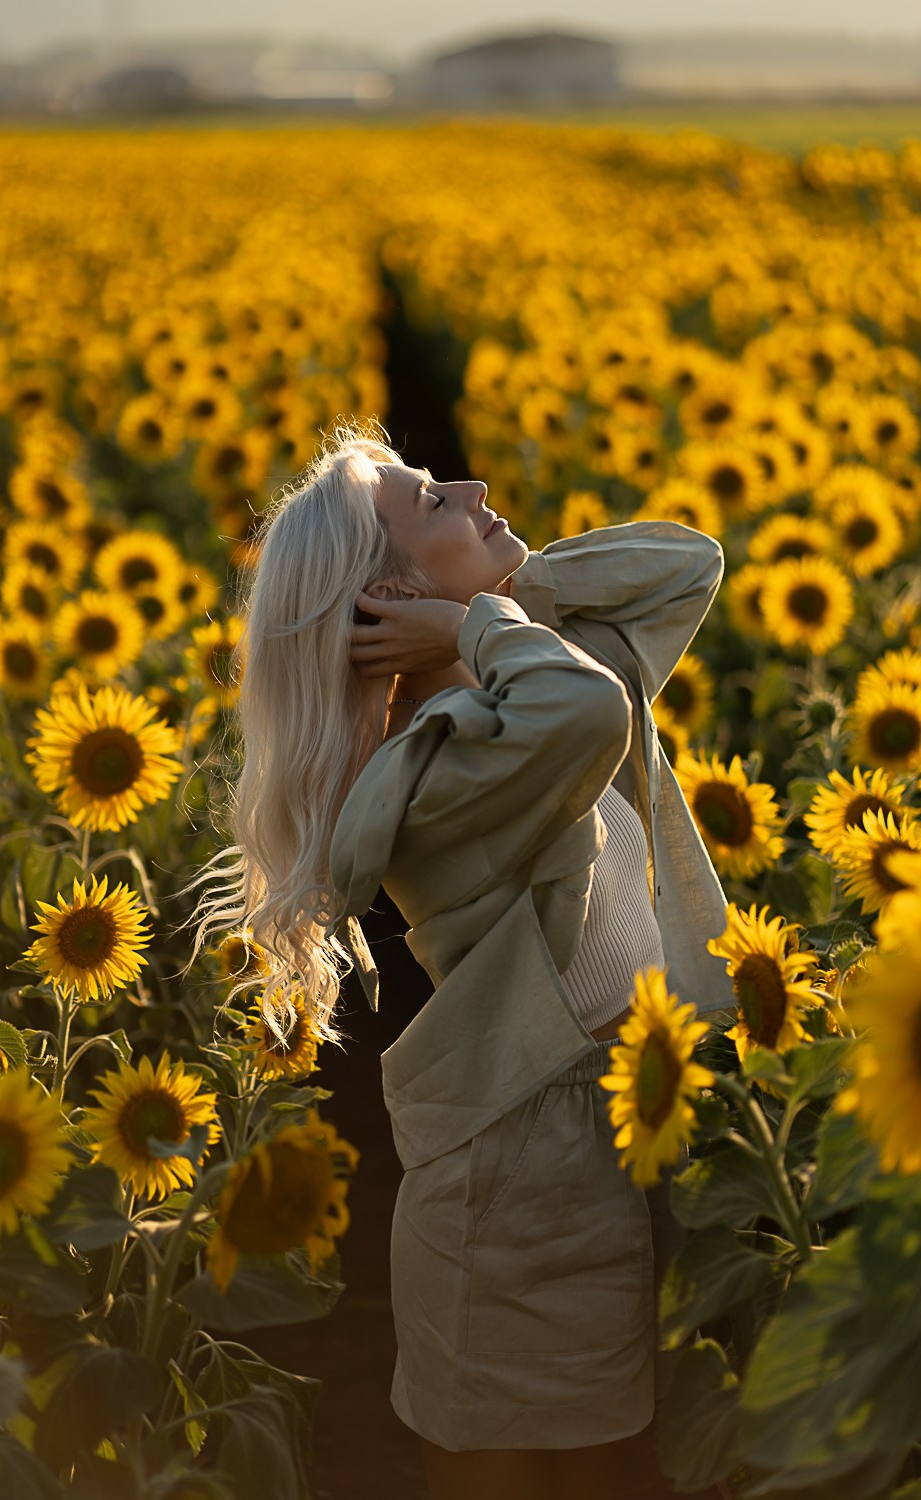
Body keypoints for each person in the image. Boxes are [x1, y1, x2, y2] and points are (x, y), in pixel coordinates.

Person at [179, 418, 737, 1500]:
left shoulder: (496, 689)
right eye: (434, 500)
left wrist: (475, 615)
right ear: (380, 598)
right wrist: (479, 622)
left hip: (581, 1137)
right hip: (513, 1168)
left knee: (604, 1463)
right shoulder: (431, 760)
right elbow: (593, 709)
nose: (475, 485)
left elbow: (684, 567)